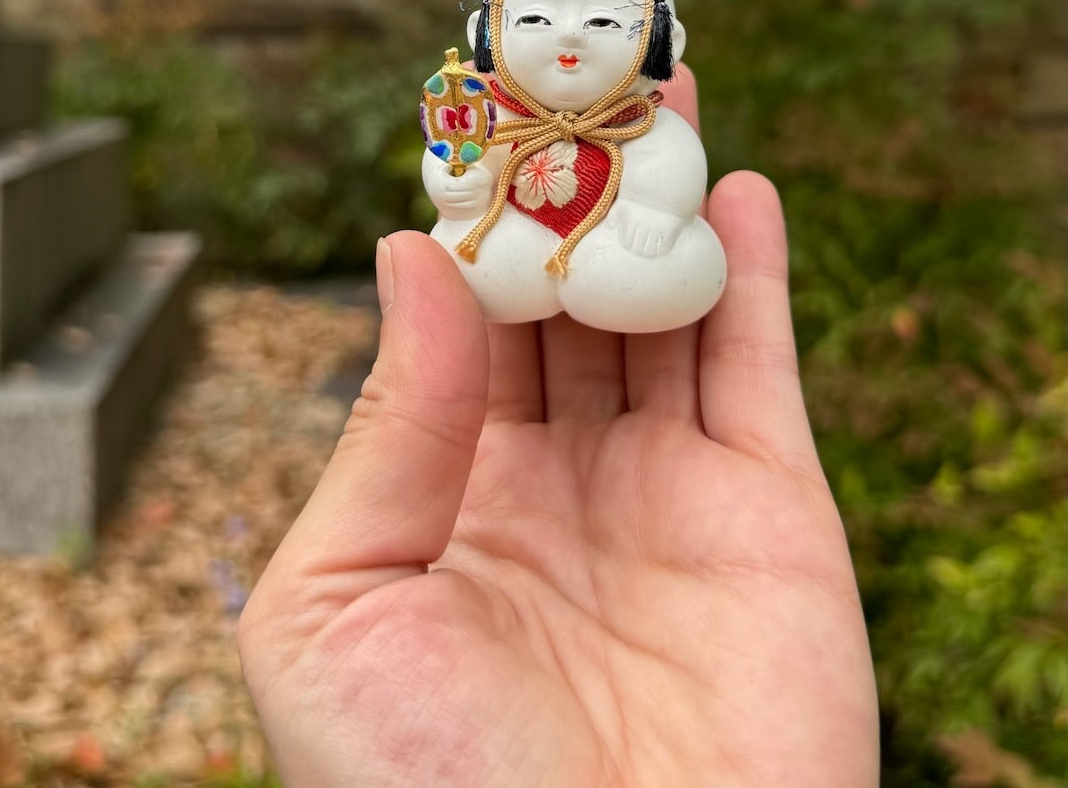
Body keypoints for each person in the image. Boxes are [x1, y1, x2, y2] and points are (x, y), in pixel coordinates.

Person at [237, 68, 881, 786]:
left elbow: (673, 165)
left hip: (622, 242)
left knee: (684, 263)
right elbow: (459, 166)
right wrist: (458, 188)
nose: (571, 42)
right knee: (467, 256)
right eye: (541, 15)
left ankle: (617, 267)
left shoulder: (642, 117)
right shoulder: (494, 110)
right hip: (515, 238)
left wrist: (662, 213)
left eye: (603, 18)